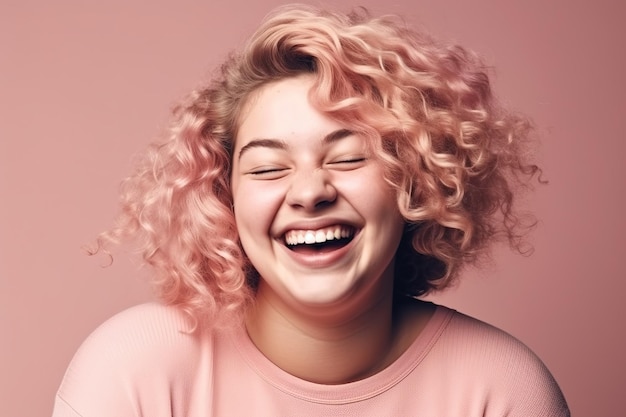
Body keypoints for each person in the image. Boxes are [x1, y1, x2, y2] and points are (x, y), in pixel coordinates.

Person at [52, 4, 570, 416]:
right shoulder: (132, 368)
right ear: (223, 196)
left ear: (418, 181)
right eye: (268, 168)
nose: (309, 192)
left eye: (348, 157)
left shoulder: (502, 392)